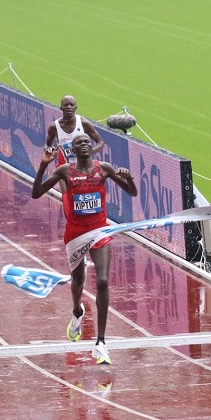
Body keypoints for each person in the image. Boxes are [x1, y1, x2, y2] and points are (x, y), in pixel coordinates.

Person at [31, 134, 137, 365]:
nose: (84, 145)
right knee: (77, 281)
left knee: (102, 282)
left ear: (92, 148)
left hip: (99, 231)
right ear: (74, 150)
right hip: (75, 234)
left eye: (87, 142)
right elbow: (36, 193)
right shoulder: (65, 172)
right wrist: (43, 165)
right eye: (79, 143)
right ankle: (77, 312)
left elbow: (133, 193)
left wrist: (129, 179)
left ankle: (100, 343)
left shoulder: (104, 168)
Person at [45, 95, 104, 167]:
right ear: (61, 108)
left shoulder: (84, 123)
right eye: (66, 105)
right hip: (64, 166)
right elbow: (48, 145)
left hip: (83, 166)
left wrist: (88, 151)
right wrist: (48, 150)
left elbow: (100, 142)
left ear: (75, 108)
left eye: (71, 105)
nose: (69, 107)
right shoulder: (54, 126)